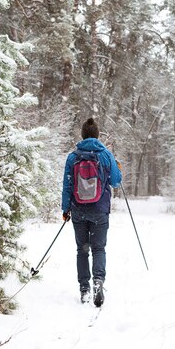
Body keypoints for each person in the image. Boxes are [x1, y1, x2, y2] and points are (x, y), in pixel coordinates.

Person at [62, 118, 122, 306]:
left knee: (82, 250)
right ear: (97, 135)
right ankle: (98, 281)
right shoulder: (105, 155)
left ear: (82, 134)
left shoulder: (73, 157)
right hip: (100, 210)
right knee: (98, 249)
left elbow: (67, 185)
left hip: (79, 211)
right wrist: (117, 168)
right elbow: (116, 181)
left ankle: (84, 290)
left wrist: (66, 209)